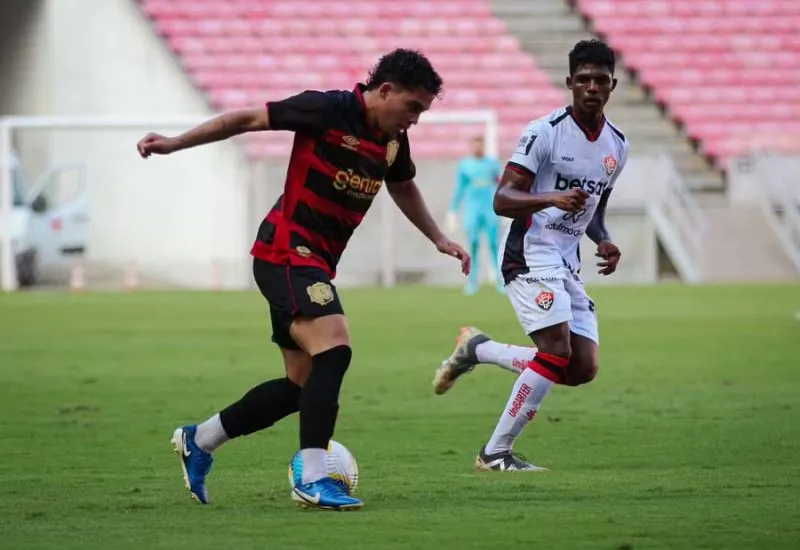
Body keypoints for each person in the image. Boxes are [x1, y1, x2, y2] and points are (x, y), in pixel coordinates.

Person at [137, 49, 471, 510]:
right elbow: (247, 119)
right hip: (286, 251)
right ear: (386, 90)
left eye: (422, 112)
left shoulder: (393, 139)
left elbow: (401, 184)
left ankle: (201, 440)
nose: (415, 119)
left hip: (311, 262)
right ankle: (313, 477)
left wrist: (438, 236)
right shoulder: (327, 109)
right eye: (413, 107)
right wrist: (175, 143)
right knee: (335, 349)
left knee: (300, 384)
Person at [432, 39, 629, 471]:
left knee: (581, 368)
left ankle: (478, 349)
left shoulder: (618, 146)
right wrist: (551, 198)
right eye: (583, 80)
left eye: (600, 80)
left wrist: (604, 239)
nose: (592, 87)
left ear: (613, 84)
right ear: (569, 84)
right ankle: (495, 453)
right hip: (527, 252)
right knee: (555, 352)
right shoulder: (544, 131)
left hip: (565, 261)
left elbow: (592, 210)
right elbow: (503, 199)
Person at [445, 136, 503, 295]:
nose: (478, 148)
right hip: (472, 209)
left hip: (490, 208)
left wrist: (505, 209)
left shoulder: (492, 164)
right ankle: (472, 282)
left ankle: (500, 281)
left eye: (481, 145)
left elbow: (501, 185)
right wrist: (453, 210)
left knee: (494, 244)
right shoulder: (465, 165)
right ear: (471, 147)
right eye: (475, 145)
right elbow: (460, 188)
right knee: (473, 244)